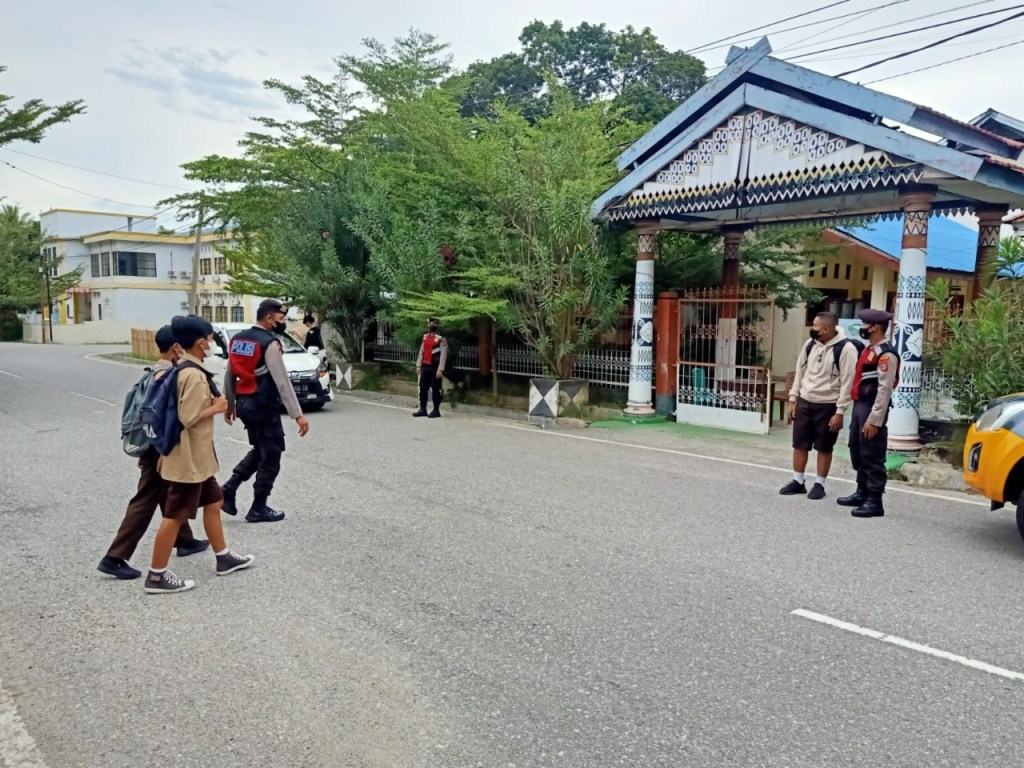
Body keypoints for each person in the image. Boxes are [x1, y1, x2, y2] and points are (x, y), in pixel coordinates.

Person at [144, 315, 253, 594]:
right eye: (209, 338)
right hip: (188, 461)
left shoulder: (186, 367)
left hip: (198, 459)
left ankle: (223, 557)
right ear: (199, 341)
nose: (212, 343)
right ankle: (156, 575)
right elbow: (188, 417)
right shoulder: (191, 374)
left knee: (214, 501)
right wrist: (217, 407)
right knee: (174, 516)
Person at [98, 326, 209, 580]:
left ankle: (184, 539)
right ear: (176, 348)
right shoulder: (167, 376)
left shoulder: (154, 372)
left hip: (152, 446)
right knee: (146, 498)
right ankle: (114, 557)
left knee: (166, 491)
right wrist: (160, 453)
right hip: (159, 448)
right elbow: (163, 419)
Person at [221, 298, 310, 523]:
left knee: (261, 449)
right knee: (272, 455)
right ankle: (258, 506)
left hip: (245, 405)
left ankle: (229, 488)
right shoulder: (269, 343)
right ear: (269, 318)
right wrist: (298, 414)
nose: (282, 322)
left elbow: (230, 373)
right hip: (263, 405)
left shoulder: (238, 339)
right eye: (280, 318)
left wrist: (230, 404)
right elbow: (282, 381)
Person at [779, 312, 858, 500]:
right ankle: (798, 481)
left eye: (815, 326)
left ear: (826, 329)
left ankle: (819, 484)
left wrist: (840, 411)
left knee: (824, 446)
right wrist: (793, 400)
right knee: (799, 444)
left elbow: (847, 382)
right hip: (805, 401)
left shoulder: (846, 349)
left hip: (828, 405)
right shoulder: (810, 345)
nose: (812, 329)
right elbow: (800, 373)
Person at [839, 308, 900, 519]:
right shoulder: (870, 350)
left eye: (865, 325)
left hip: (872, 407)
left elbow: (884, 389)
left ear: (875, 327)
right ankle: (861, 492)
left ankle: (875, 501)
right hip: (860, 406)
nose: (862, 328)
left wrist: (875, 420)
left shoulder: (886, 354)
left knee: (872, 454)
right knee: (857, 450)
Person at [413, 316, 447, 419]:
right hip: (425, 366)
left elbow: (443, 355)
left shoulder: (441, 339)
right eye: (429, 324)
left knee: (435, 389)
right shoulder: (425, 337)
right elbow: (421, 352)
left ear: (437, 325)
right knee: (423, 387)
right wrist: (418, 365)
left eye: (433, 324)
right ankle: (423, 409)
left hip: (435, 367)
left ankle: (436, 410)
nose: (431, 325)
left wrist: (440, 369)